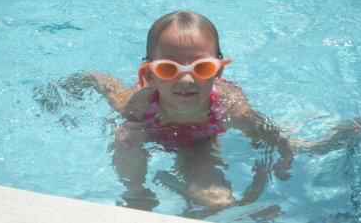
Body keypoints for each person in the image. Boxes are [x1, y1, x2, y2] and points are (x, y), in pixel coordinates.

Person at [85, 11, 294, 216]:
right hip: (152, 133)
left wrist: (283, 154)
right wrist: (74, 84)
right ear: (150, 75)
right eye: (168, 69)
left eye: (201, 68)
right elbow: (102, 82)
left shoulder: (229, 108)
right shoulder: (138, 104)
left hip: (201, 142)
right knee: (126, 138)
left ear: (217, 72)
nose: (186, 80)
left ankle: (180, 185)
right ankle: (136, 191)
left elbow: (266, 134)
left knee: (217, 200)